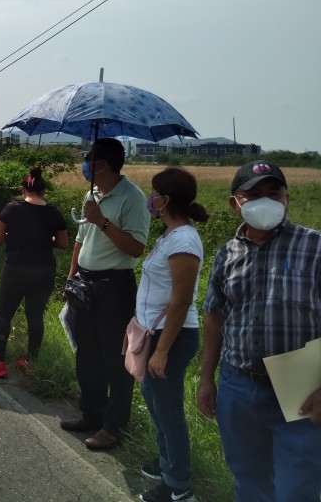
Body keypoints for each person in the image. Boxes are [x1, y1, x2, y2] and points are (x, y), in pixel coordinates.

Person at [197, 160, 321, 501]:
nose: (265, 201)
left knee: (297, 489)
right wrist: (207, 379)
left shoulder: (315, 247)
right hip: (238, 385)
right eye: (253, 195)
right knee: (249, 481)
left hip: (302, 388)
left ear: (286, 198)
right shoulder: (227, 254)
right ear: (235, 203)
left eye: (273, 192)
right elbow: (214, 317)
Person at [61, 138, 151, 451]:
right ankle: (91, 413)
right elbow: (79, 243)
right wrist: (71, 279)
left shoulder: (132, 198)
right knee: (87, 354)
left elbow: (136, 248)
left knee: (115, 359)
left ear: (104, 164)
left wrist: (102, 220)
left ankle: (113, 428)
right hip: (85, 283)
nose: (84, 164)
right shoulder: (92, 195)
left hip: (114, 286)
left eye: (88, 159)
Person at [134, 168, 208, 502]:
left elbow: (181, 300)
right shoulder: (170, 235)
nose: (151, 199)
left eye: (154, 193)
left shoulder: (184, 241)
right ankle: (166, 462)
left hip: (172, 337)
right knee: (156, 402)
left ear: (166, 199)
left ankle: (179, 485)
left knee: (168, 410)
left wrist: (162, 351)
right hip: (156, 332)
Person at [0, 166, 68, 378]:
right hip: (44, 270)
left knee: (4, 314)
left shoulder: (12, 208)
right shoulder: (54, 212)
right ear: (43, 191)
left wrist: (17, 237)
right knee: (35, 316)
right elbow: (63, 243)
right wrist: (44, 240)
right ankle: (30, 361)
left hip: (17, 269)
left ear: (23, 189)